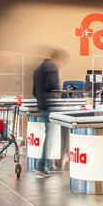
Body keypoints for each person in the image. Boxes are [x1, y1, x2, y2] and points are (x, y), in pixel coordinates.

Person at [31, 49, 67, 178]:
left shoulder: (37, 69)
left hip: (42, 105)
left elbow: (34, 92)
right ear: (57, 59)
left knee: (49, 135)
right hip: (51, 105)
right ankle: (41, 166)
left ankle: (48, 164)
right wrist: (60, 91)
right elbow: (52, 86)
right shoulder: (52, 67)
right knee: (51, 137)